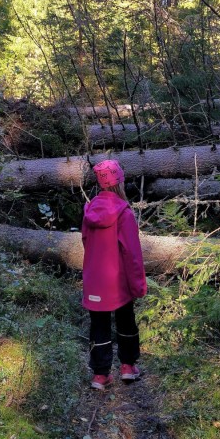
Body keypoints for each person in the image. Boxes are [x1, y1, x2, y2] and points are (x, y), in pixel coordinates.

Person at [81, 158, 147, 390]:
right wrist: (138, 285)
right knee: (126, 320)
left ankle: (100, 375)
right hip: (118, 279)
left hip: (94, 279)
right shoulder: (124, 214)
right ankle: (128, 367)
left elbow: (86, 241)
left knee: (98, 325)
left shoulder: (89, 210)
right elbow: (132, 253)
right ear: (119, 181)